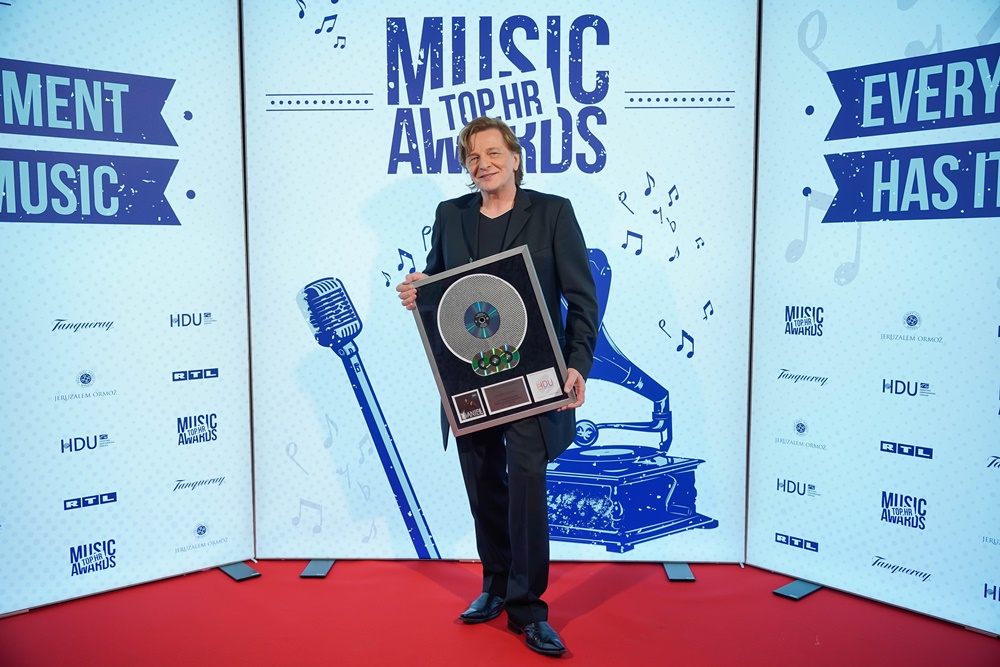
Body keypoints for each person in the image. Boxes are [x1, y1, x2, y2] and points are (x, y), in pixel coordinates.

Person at [396, 116, 598, 657]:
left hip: (535, 378)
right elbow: (440, 285)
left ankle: (528, 609)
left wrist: (578, 364)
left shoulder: (553, 212)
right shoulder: (451, 215)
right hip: (469, 379)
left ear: (514, 157)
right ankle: (495, 584)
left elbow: (582, 298)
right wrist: (419, 289)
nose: (482, 163)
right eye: (472, 157)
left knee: (526, 484)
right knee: (482, 479)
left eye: (491, 152)